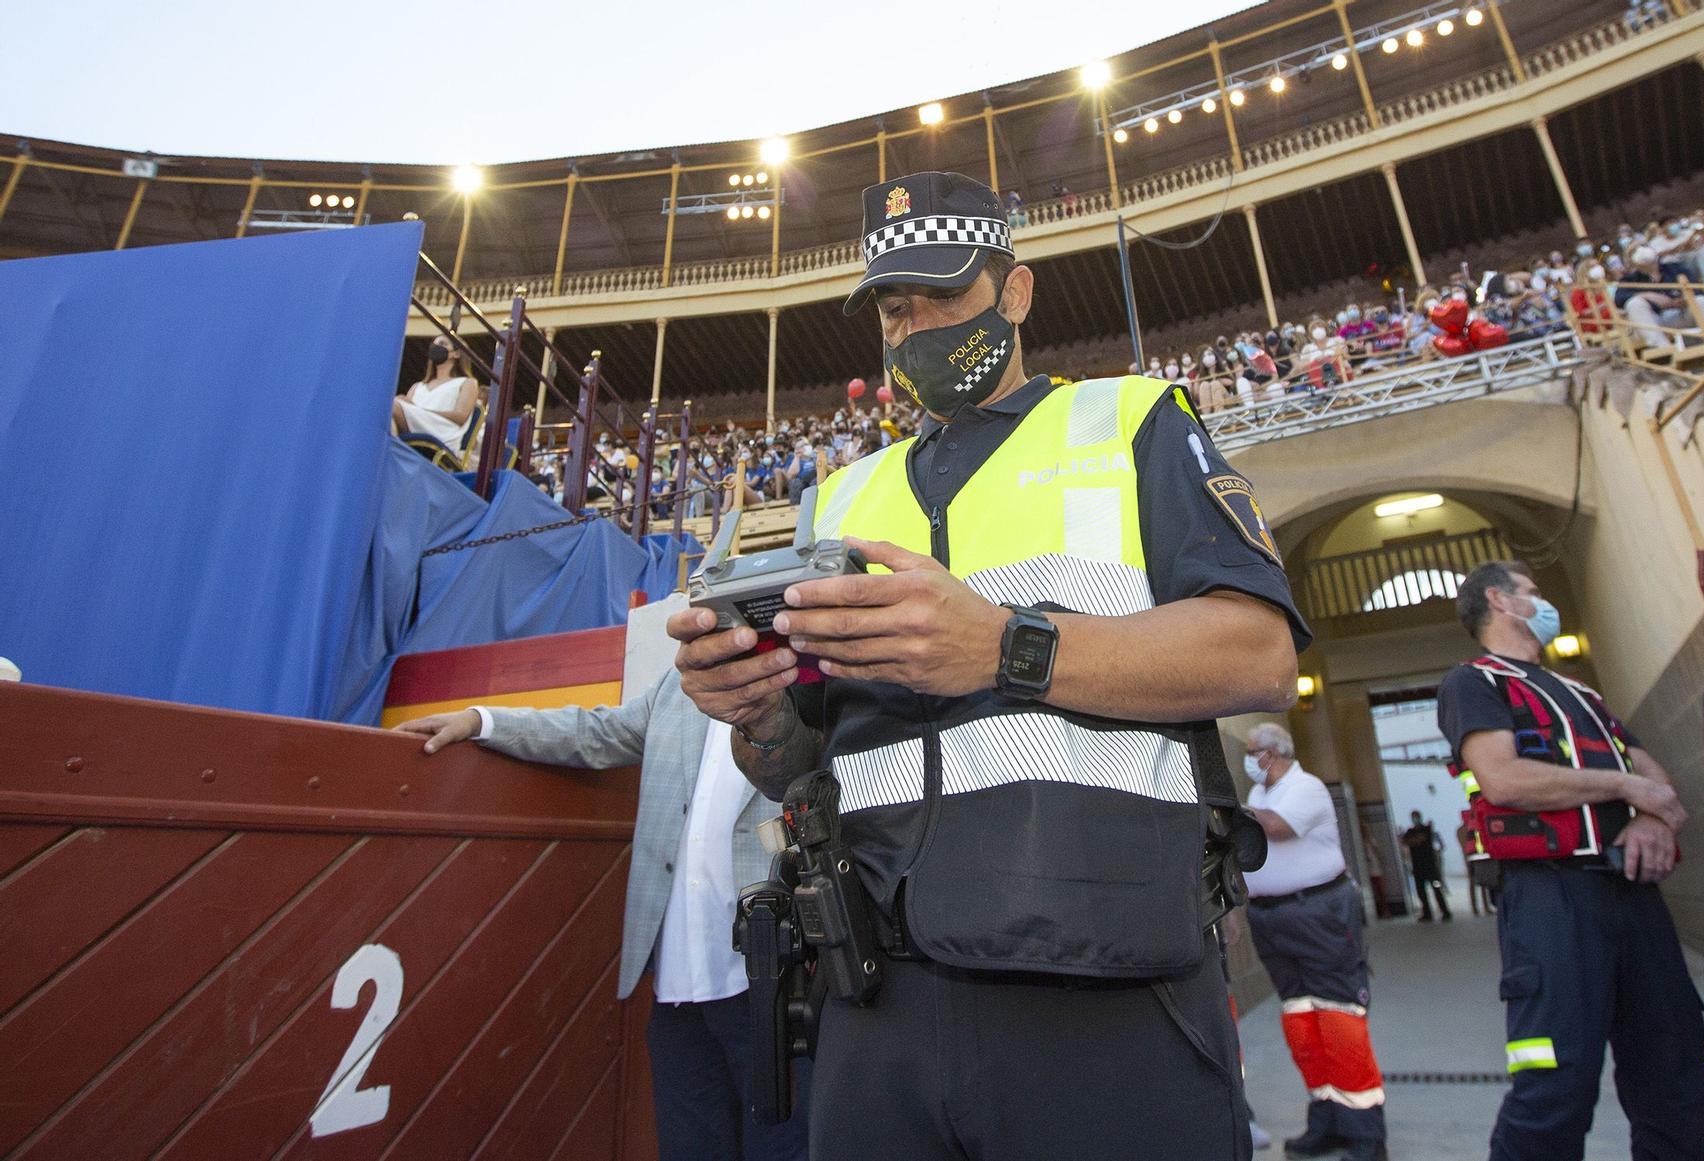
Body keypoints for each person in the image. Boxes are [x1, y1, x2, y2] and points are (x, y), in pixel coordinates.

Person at [666, 170, 1308, 1161]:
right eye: (892, 305)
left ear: (1014, 292)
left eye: (941, 295)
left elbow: (1259, 656)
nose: (913, 325)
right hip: (872, 997)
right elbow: (803, 761)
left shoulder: (1129, 422)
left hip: (1105, 986)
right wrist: (751, 713)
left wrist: (1001, 647)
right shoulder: (836, 498)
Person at [392, 670, 810, 1161]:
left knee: (786, 1148)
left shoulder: (805, 682)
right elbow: (594, 733)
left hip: (774, 984)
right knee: (689, 1146)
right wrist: (480, 721)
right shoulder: (678, 687)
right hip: (679, 988)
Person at [1436, 561, 1704, 1161]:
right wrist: (1626, 789)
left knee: (1679, 1068)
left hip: (1634, 893)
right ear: (1500, 601)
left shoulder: (1585, 694)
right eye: (1532, 593)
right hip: (1551, 898)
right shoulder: (1474, 683)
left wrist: (1648, 815)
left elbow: (1651, 775)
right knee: (1555, 1085)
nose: (1543, 602)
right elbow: (1504, 779)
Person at [1241, 722, 1388, 1161]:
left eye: (1253, 752)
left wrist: (1228, 811)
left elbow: (1276, 829)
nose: (1250, 760)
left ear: (1272, 753)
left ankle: (1365, 1134)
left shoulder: (1303, 788)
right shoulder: (1260, 794)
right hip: (1274, 918)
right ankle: (1326, 1117)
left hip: (1319, 913)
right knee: (1302, 1023)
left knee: (1339, 1017)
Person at [392, 337, 480, 448]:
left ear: (456, 354)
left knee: (394, 406)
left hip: (443, 431)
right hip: (416, 425)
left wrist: (420, 410)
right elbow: (408, 410)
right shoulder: (418, 386)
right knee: (387, 407)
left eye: (442, 343)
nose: (435, 347)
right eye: (433, 344)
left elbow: (461, 416)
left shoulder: (467, 382)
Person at [1399, 809, 1451, 922]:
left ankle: (1445, 911)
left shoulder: (1426, 829)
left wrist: (1414, 840)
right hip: (1418, 868)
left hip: (1430, 866)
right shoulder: (1410, 831)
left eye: (1416, 816)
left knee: (1437, 889)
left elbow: (1417, 840)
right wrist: (1415, 840)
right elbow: (1405, 842)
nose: (1415, 819)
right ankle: (1427, 913)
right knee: (1421, 892)